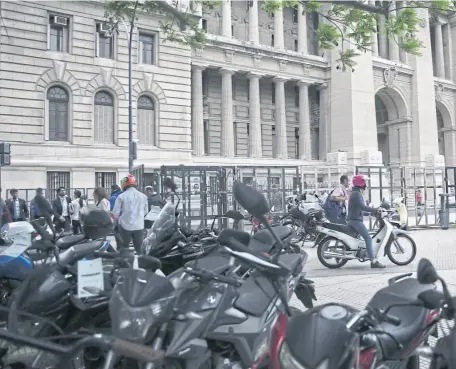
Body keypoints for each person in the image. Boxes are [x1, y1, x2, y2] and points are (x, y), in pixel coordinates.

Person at [347, 175, 385, 269]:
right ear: (360, 183)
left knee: (366, 236)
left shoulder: (356, 193)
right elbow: (362, 207)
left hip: (354, 219)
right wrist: (375, 209)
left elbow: (358, 209)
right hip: (355, 221)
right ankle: (373, 261)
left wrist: (370, 213)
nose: (366, 184)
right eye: (365, 182)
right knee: (368, 238)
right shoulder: (356, 194)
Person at [112, 174, 148, 253]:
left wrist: (116, 221)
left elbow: (115, 213)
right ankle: (140, 263)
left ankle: (126, 264)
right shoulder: (143, 196)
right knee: (139, 249)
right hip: (139, 226)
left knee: (124, 249)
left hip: (125, 226)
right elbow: (146, 211)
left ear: (124, 184)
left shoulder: (121, 196)